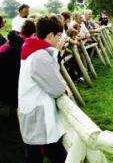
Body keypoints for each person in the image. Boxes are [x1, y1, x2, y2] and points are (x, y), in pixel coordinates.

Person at [18, 16, 67, 163]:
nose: (60, 39)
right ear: (50, 35)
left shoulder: (34, 49)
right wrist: (64, 86)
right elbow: (57, 88)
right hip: (38, 115)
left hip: (33, 110)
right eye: (59, 35)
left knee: (39, 152)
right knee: (45, 152)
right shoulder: (39, 55)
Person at [0, 20, 36, 163]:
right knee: (14, 143)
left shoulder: (10, 46)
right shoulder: (21, 50)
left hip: (6, 100)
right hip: (6, 103)